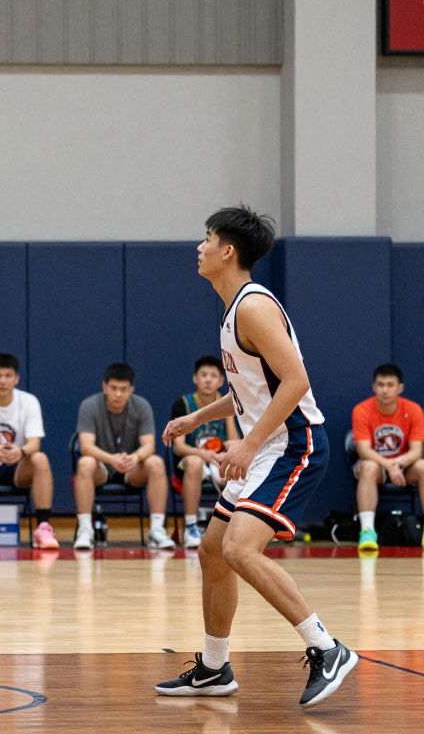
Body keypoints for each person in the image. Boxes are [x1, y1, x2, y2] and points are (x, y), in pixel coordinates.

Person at [155, 205, 357, 707]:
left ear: (227, 251)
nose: (198, 247)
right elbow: (250, 390)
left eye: (206, 239)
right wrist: (198, 418)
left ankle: (326, 647)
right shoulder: (233, 309)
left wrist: (246, 443)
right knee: (213, 551)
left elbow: (297, 382)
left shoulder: (253, 307)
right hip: (268, 444)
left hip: (293, 444)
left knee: (240, 549)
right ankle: (214, 668)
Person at [73, 363, 175, 550]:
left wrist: (134, 458)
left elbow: (149, 446)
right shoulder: (89, 406)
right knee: (85, 463)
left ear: (131, 390)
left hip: (131, 467)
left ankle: (157, 529)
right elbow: (86, 446)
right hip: (102, 467)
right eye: (113, 389)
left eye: (123, 389)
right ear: (105, 387)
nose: (118, 394)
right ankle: (85, 530)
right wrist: (111, 459)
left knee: (156, 463)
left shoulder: (142, 406)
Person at [0, 353, 58, 549]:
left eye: (8, 376)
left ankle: (43, 527)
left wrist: (21, 452)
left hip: (18, 466)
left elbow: (34, 443)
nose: (3, 381)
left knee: (40, 458)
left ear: (16, 378)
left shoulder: (29, 401)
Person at [351, 363, 424, 552]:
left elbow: (416, 451)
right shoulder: (362, 410)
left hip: (404, 466)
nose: (385, 390)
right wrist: (389, 466)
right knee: (368, 467)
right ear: (374, 386)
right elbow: (363, 450)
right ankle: (367, 531)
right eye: (381, 385)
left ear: (400, 388)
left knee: (423, 466)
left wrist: (397, 465)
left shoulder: (414, 410)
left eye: (390, 385)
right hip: (376, 466)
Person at [169, 356, 238, 549]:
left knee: (237, 461)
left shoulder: (229, 402)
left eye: (213, 376)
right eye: (204, 375)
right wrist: (203, 455)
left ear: (221, 381)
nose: (208, 380)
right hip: (192, 460)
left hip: (217, 459)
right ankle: (191, 526)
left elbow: (234, 441)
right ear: (195, 378)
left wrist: (224, 450)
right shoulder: (183, 404)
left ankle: (234, 527)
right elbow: (179, 447)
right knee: (194, 463)